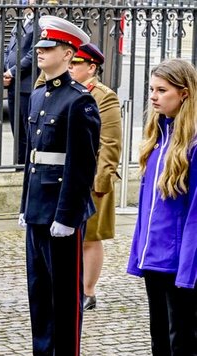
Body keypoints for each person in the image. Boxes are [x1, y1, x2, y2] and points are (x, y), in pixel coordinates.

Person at [9, 16, 100, 356]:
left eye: (47, 49)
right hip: (38, 206)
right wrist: (26, 203)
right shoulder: (40, 95)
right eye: (39, 48)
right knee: (39, 287)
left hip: (61, 209)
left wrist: (67, 215)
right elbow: (33, 157)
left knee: (64, 291)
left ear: (67, 54)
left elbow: (81, 166)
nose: (40, 54)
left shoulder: (80, 101)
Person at [125, 58, 197, 356]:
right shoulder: (160, 136)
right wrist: (139, 255)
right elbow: (149, 208)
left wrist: (188, 268)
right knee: (161, 340)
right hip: (156, 259)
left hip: (182, 263)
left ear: (184, 94)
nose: (153, 97)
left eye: (162, 91)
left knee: (185, 342)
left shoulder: (194, 143)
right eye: (152, 90)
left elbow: (195, 216)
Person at [66, 43, 122, 311]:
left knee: (90, 237)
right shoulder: (66, 91)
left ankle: (88, 290)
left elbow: (110, 143)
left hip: (92, 178)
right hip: (67, 176)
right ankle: (71, 285)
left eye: (76, 64)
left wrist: (100, 182)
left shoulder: (103, 96)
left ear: (91, 67)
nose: (70, 68)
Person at [0, 0, 35, 165]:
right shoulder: (21, 20)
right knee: (17, 131)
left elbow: (33, 55)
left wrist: (11, 72)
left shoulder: (39, 22)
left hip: (26, 86)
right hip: (13, 85)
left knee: (26, 131)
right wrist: (4, 69)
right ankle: (19, 164)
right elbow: (9, 49)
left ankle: (25, 166)